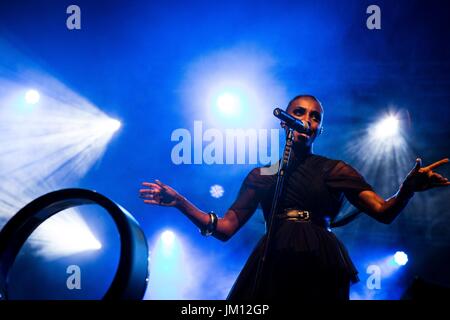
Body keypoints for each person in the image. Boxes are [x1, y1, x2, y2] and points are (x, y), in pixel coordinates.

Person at [139, 95, 449, 300]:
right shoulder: (261, 176)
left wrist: (407, 188)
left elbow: (383, 211)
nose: (307, 119)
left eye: (315, 117)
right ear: (285, 119)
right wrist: (180, 202)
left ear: (319, 129)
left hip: (319, 260)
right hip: (274, 258)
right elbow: (225, 228)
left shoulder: (335, 170)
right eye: (300, 112)